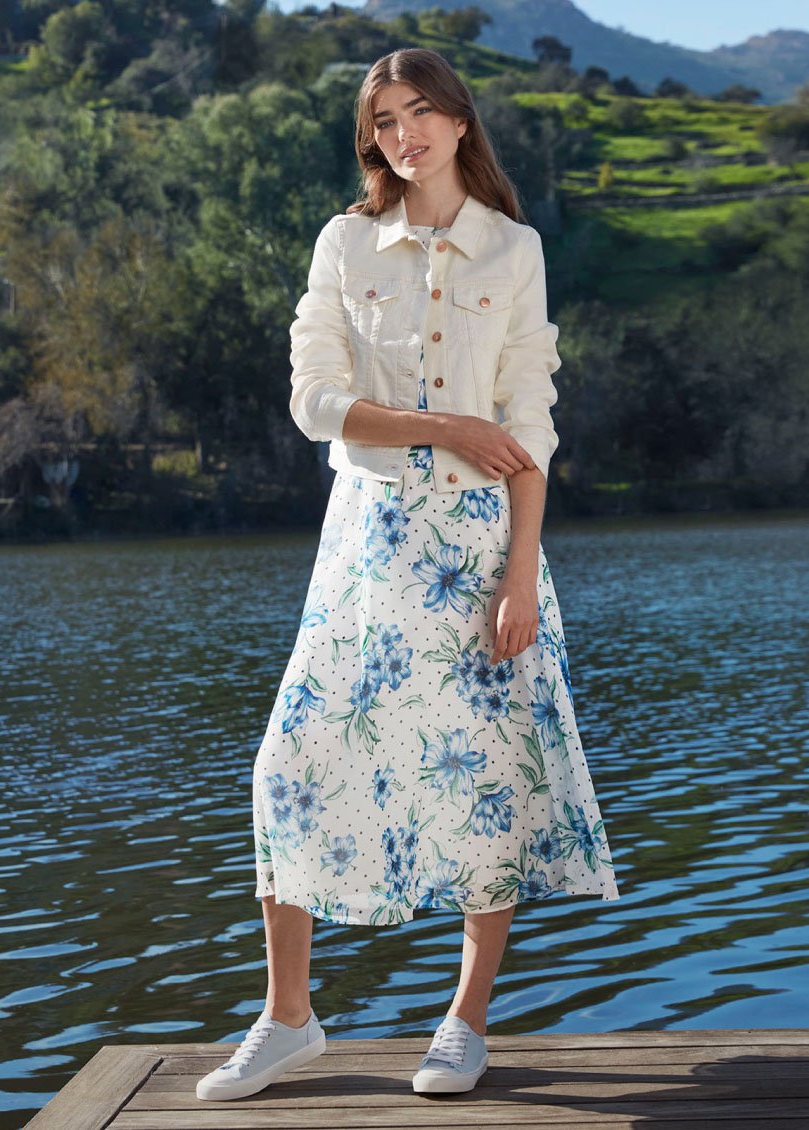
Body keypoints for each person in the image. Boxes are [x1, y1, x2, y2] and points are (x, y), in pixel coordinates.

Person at [196, 46, 620, 1105]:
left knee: (486, 778)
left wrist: (521, 572)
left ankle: (463, 1017)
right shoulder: (347, 242)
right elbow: (312, 401)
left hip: (481, 546)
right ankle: (288, 1016)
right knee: (288, 761)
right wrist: (441, 425)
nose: (404, 134)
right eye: (384, 120)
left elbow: (529, 427)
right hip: (367, 540)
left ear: (460, 121)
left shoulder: (511, 249)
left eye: (420, 111)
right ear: (370, 138)